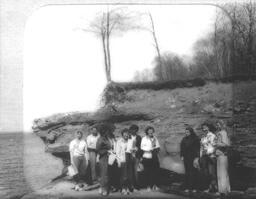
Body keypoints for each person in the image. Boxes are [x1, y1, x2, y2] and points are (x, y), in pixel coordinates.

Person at [96, 123, 116, 196]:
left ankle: (104, 187)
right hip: (103, 158)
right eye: (106, 131)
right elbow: (98, 150)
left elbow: (111, 146)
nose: (108, 132)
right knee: (104, 174)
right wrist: (106, 151)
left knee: (108, 173)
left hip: (110, 157)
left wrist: (112, 150)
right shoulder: (100, 139)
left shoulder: (107, 138)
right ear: (103, 131)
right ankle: (104, 189)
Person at [197, 123, 218, 193]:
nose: (204, 129)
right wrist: (200, 156)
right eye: (203, 127)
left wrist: (208, 152)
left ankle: (214, 188)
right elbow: (201, 147)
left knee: (211, 172)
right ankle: (208, 187)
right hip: (204, 157)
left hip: (211, 156)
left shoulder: (212, 136)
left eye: (205, 127)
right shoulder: (203, 137)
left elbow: (214, 146)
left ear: (209, 128)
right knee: (205, 173)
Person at [180, 126, 200, 193]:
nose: (186, 133)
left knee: (193, 172)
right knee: (187, 172)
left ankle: (194, 187)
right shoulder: (184, 139)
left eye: (188, 132)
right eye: (185, 132)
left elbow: (197, 149)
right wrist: (182, 156)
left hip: (193, 158)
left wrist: (197, 157)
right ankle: (188, 187)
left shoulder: (195, 139)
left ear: (191, 132)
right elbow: (182, 148)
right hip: (186, 158)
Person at [141, 126, 160, 191]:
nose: (151, 132)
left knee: (154, 171)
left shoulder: (155, 138)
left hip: (154, 157)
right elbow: (142, 147)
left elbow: (158, 147)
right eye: (149, 131)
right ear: (147, 132)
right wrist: (149, 149)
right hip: (147, 157)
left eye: (152, 131)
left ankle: (154, 185)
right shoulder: (144, 139)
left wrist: (155, 150)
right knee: (147, 172)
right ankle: (148, 186)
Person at [216, 120, 231, 195]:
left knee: (222, 173)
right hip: (219, 154)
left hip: (222, 155)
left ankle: (223, 190)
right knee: (220, 173)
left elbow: (226, 144)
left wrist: (217, 144)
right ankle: (222, 190)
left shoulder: (223, 133)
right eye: (217, 125)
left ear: (222, 125)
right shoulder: (220, 133)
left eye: (218, 125)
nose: (217, 126)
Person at [126, 124, 142, 190]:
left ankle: (137, 184)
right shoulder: (128, 137)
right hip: (129, 155)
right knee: (130, 171)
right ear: (130, 130)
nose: (134, 131)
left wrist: (138, 152)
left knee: (136, 171)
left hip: (136, 156)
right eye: (132, 129)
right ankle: (131, 185)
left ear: (137, 130)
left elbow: (141, 147)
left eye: (135, 130)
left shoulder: (139, 137)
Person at [116, 128, 130, 195]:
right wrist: (119, 161)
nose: (126, 135)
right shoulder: (119, 142)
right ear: (122, 135)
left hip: (129, 160)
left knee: (128, 175)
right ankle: (123, 188)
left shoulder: (131, 141)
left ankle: (127, 188)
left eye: (127, 134)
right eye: (125, 134)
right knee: (123, 175)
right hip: (122, 160)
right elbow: (117, 153)